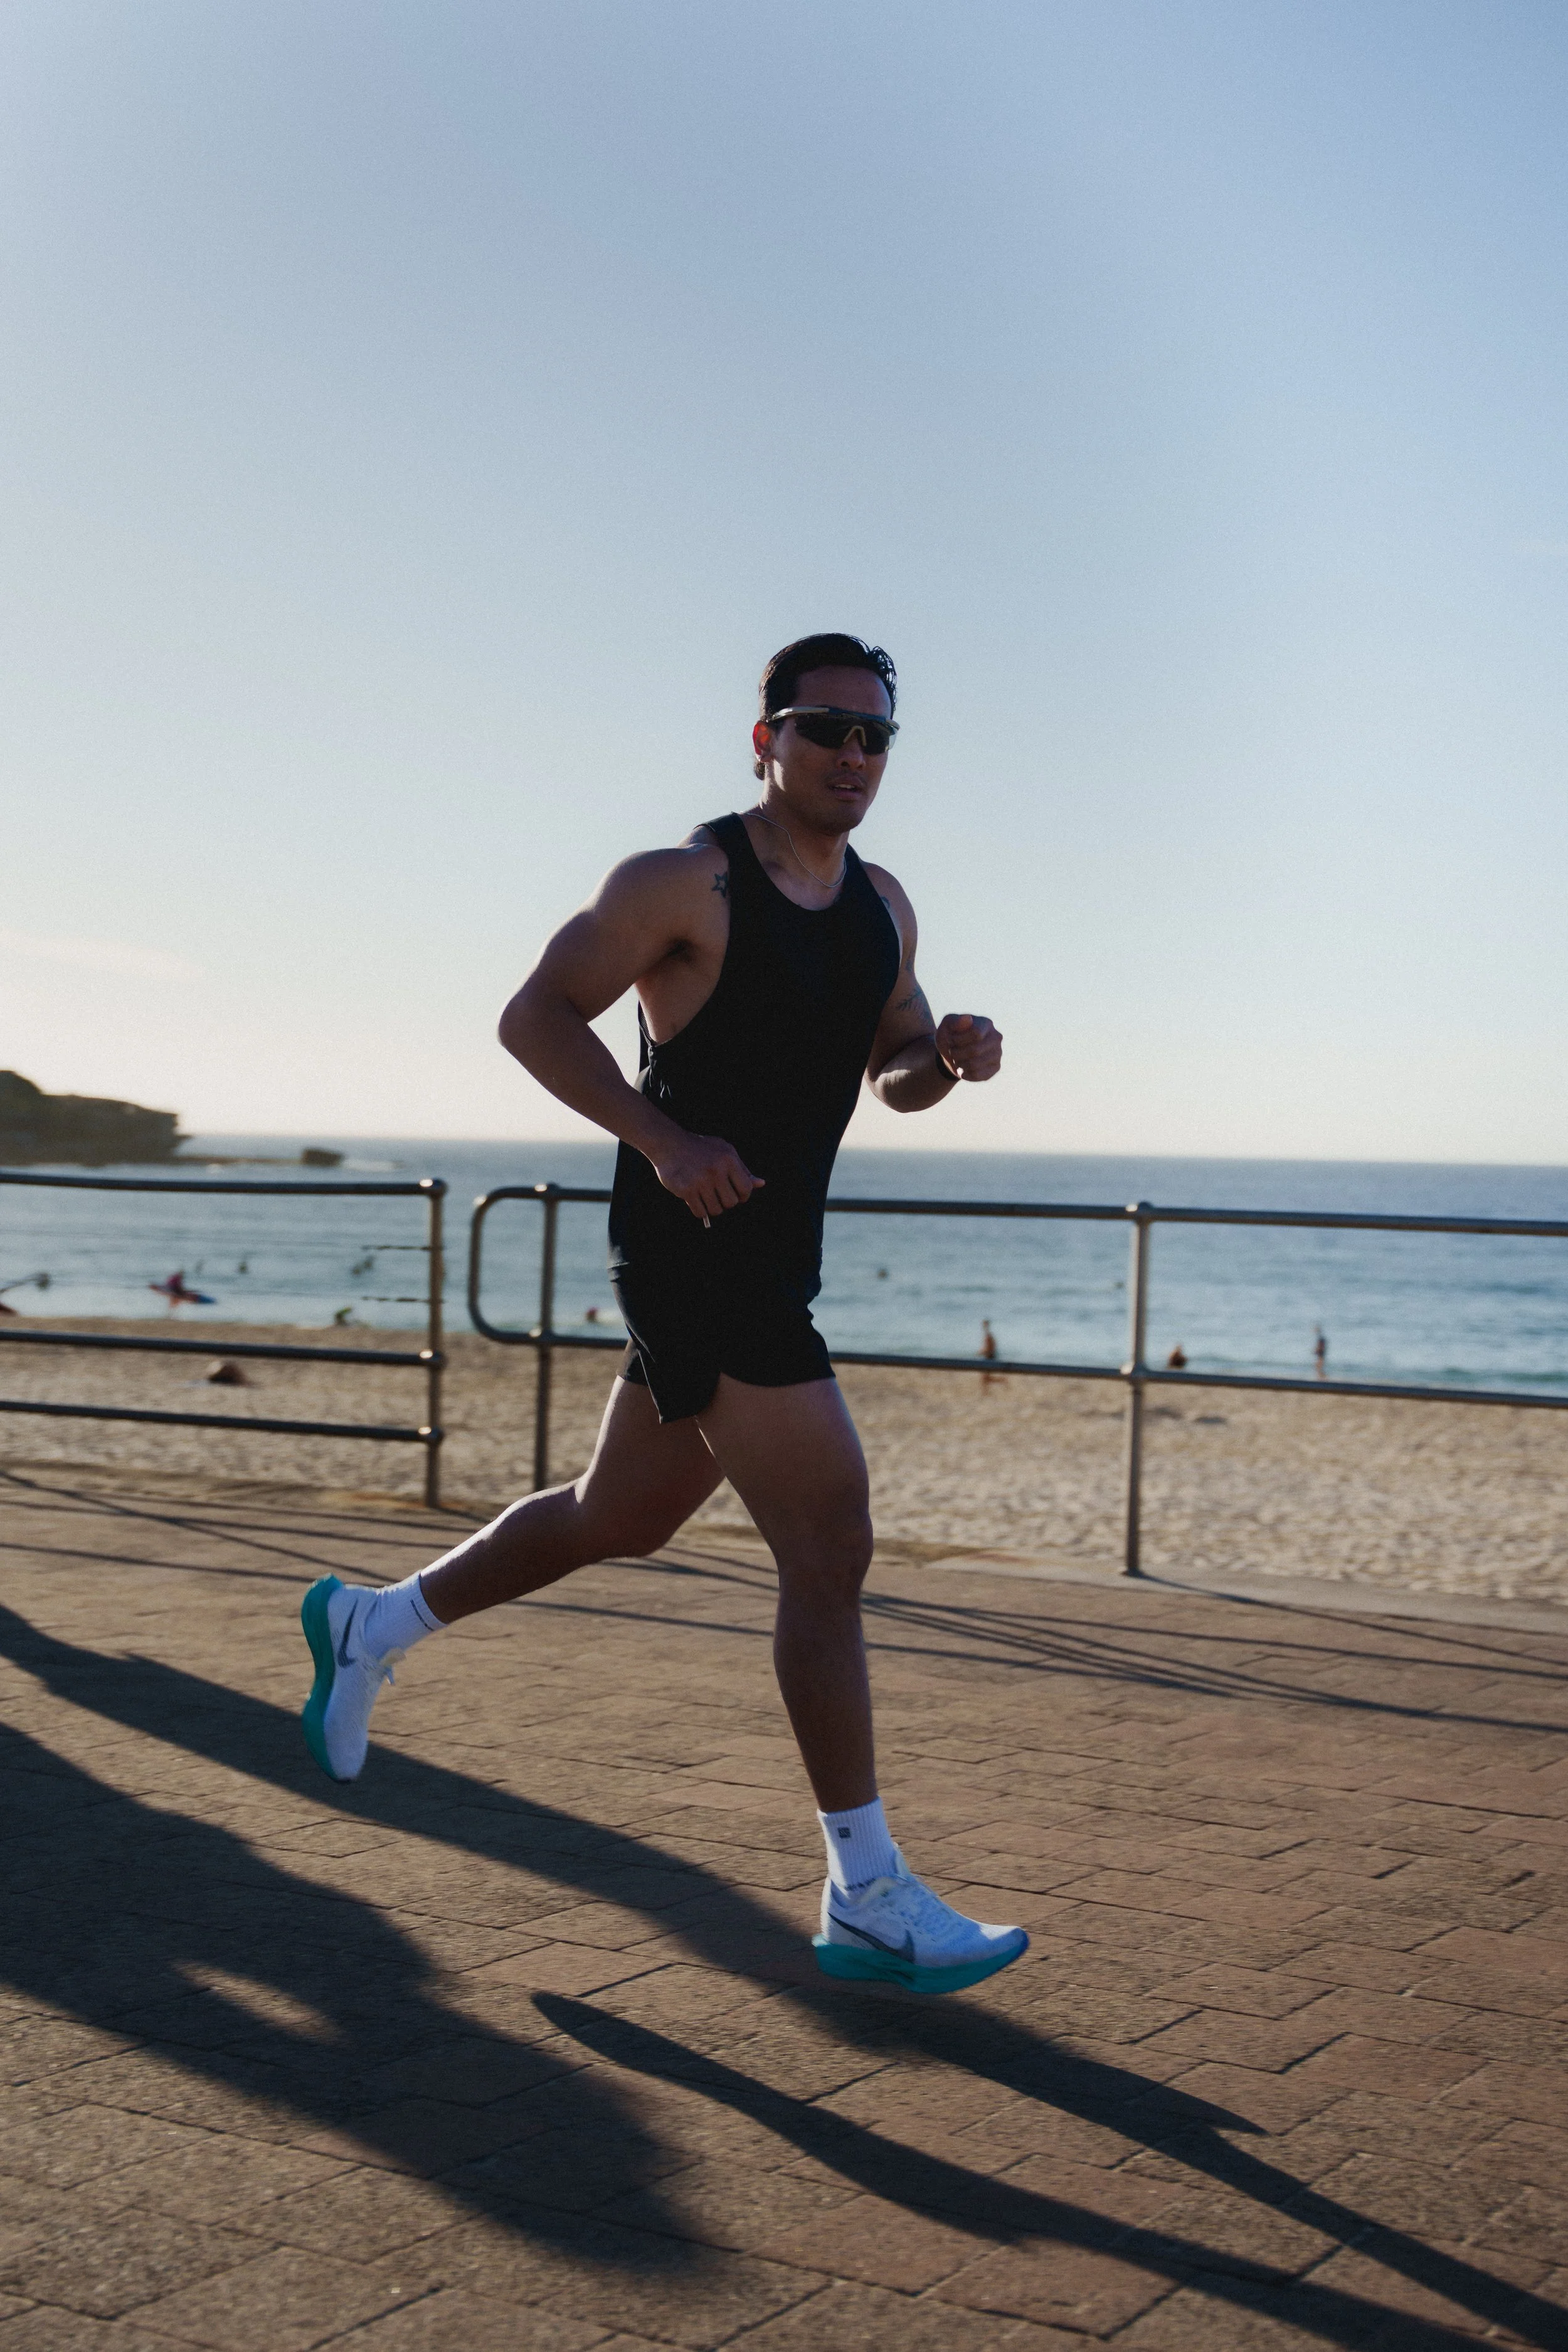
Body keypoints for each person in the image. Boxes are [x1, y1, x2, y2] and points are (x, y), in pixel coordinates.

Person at [299, 633, 1027, 1997]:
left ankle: (369, 1626)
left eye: (876, 737)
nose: (853, 757)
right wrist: (658, 1139)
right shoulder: (678, 882)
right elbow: (535, 1017)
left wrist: (948, 1056)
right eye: (826, 729)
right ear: (765, 738)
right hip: (693, 1245)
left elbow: (893, 1072)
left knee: (615, 1517)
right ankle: (864, 1888)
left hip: (777, 1247)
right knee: (830, 1539)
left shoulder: (884, 907)